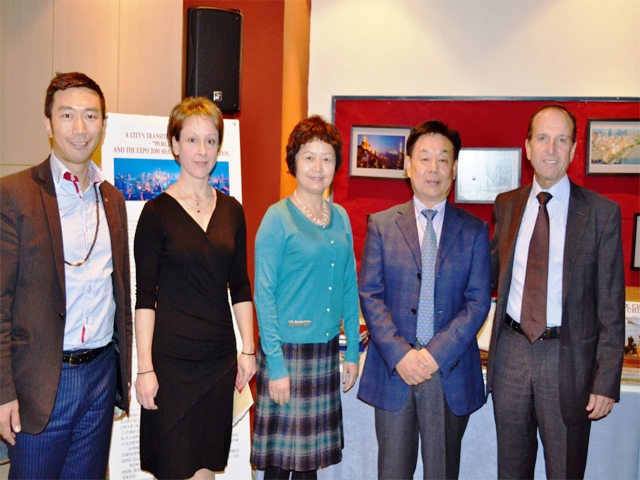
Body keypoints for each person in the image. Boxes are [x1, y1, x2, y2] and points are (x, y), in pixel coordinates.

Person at [0, 72, 132, 479]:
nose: (80, 128)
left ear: (103, 126)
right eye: (67, 115)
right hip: (41, 382)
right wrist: (3, 392)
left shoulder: (112, 198)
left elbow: (120, 294)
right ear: (48, 123)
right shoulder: (15, 193)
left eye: (90, 116)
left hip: (99, 376)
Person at [486, 104, 625, 479]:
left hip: (569, 362)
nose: (551, 149)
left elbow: (611, 306)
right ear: (528, 147)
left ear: (574, 150)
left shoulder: (601, 213)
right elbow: (486, 275)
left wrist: (605, 380)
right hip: (511, 355)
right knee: (511, 471)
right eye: (543, 138)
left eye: (561, 140)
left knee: (565, 471)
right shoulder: (507, 205)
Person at [358, 120, 491, 479]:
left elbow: (478, 302)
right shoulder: (382, 225)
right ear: (407, 165)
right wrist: (401, 354)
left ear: (454, 169)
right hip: (395, 370)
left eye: (443, 159)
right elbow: (370, 294)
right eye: (425, 158)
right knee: (392, 473)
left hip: (447, 372)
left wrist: (434, 355)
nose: (434, 168)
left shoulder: (475, 230)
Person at [134, 97, 256, 480]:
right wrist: (144, 369)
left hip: (218, 362)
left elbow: (240, 286)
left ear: (219, 147)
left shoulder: (233, 211)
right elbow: (145, 298)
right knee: (174, 467)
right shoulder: (155, 214)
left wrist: (248, 349)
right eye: (191, 140)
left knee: (205, 468)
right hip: (170, 364)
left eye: (210, 140)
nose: (202, 150)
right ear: (175, 145)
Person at [250, 116, 360, 480]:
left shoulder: (340, 217)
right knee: (279, 468)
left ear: (335, 165)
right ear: (294, 162)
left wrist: (352, 350)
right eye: (309, 157)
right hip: (286, 353)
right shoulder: (277, 218)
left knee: (308, 467)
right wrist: (276, 366)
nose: (318, 167)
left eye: (326, 158)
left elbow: (349, 285)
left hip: (324, 351)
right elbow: (263, 295)